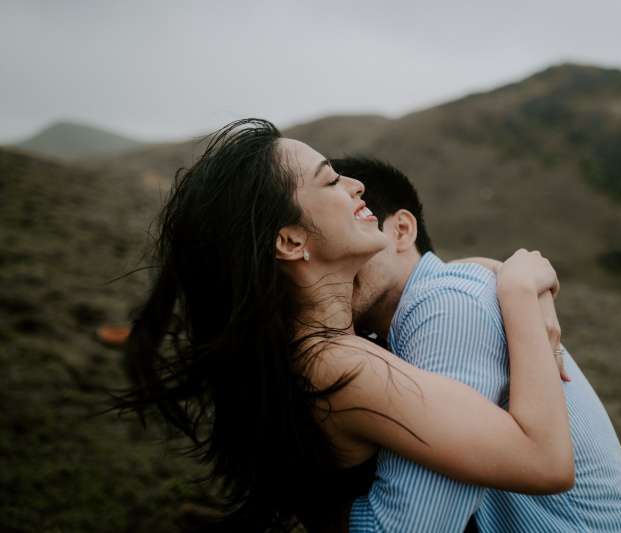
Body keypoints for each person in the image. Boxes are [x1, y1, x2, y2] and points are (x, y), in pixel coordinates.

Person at [116, 119, 574, 533]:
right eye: (331, 180)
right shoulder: (343, 369)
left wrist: (479, 269)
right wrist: (516, 292)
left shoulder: (308, 352)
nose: (356, 186)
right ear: (291, 241)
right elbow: (546, 461)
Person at [331, 156, 621, 532]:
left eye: (352, 228)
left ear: (402, 230)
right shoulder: (408, 319)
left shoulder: (447, 304)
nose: (337, 255)